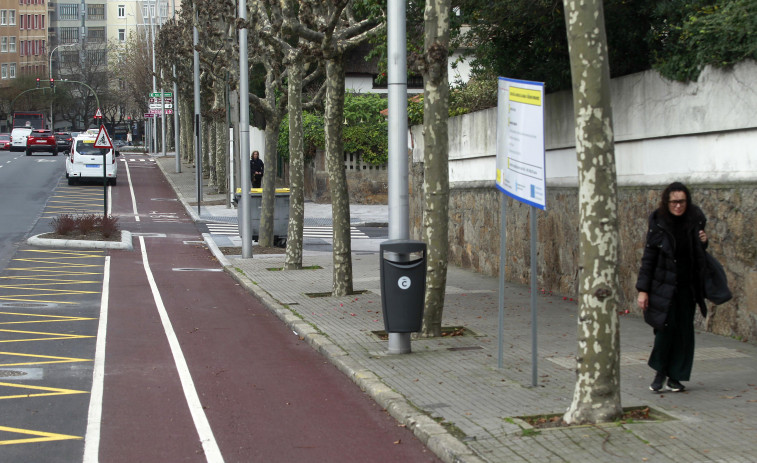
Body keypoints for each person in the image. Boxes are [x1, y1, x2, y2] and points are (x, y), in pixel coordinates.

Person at [636, 182, 709, 393]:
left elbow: (698, 255)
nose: (678, 206)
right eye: (674, 202)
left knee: (684, 332)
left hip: (687, 287)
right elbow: (648, 258)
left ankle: (676, 377)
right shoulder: (659, 222)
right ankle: (660, 372)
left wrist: (704, 242)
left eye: (682, 201)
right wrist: (643, 289)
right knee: (664, 330)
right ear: (667, 202)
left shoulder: (695, 220)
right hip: (662, 286)